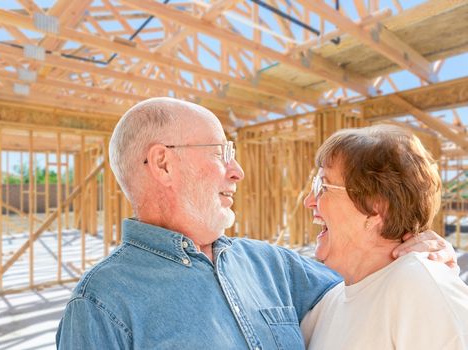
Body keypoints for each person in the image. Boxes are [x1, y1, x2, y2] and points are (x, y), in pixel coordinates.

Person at [56, 98, 455, 349]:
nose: (238, 171)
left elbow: (370, 282)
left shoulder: (272, 266)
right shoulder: (100, 306)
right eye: (221, 152)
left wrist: (418, 249)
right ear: (163, 163)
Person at [301, 124, 468, 349]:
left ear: (376, 207)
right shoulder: (328, 304)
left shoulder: (418, 289)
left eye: (323, 185)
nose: (309, 201)